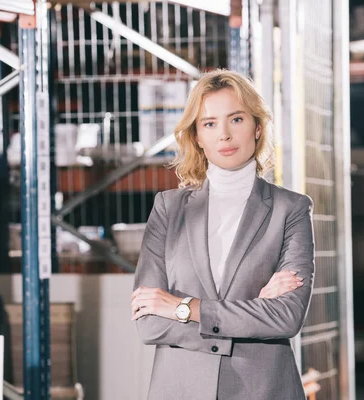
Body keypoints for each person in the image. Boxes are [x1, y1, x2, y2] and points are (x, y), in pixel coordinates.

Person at [131, 69, 315, 400]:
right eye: (210, 123)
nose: (224, 135)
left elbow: (286, 318)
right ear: (197, 136)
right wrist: (253, 313)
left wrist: (183, 308)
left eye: (236, 120)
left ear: (257, 127)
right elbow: (149, 323)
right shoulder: (168, 209)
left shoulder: (292, 209)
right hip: (180, 390)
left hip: (264, 390)